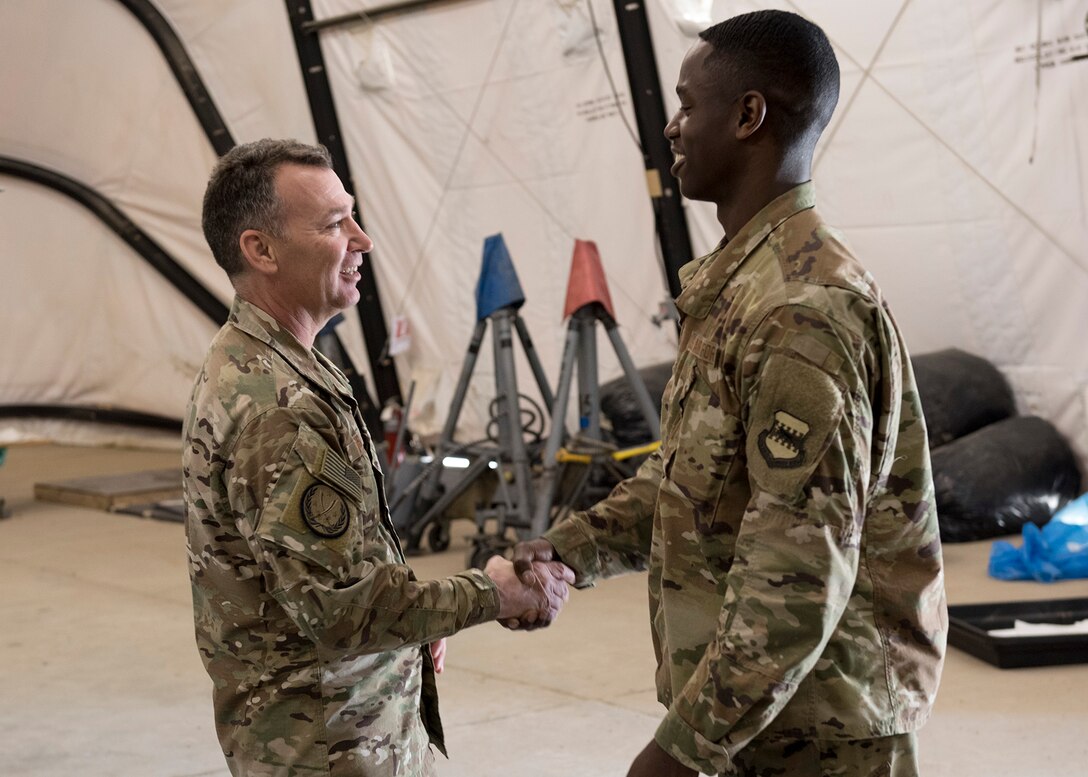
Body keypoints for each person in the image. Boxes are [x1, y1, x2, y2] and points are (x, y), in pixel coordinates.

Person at [513, 11, 947, 777]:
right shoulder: (742, 285)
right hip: (759, 718)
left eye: (687, 105)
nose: (673, 129)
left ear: (749, 115)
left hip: (817, 736)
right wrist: (570, 549)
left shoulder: (800, 309)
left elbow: (798, 571)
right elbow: (694, 479)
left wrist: (681, 752)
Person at [183, 138, 573, 777]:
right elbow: (341, 609)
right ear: (261, 249)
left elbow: (336, 568)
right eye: (336, 224)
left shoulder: (280, 366)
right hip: (328, 744)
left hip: (343, 728)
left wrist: (416, 615)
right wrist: (493, 592)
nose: (361, 240)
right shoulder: (277, 406)